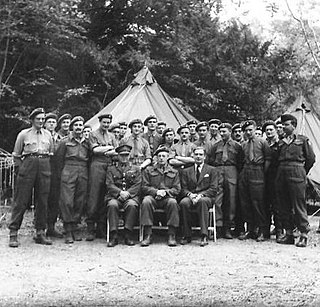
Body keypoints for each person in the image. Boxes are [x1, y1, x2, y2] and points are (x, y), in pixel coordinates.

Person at [9, 108, 53, 247]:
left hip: (44, 165)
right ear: (32, 120)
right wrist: (22, 169)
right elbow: (16, 155)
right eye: (38, 118)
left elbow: (51, 152)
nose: (41, 121)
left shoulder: (48, 135)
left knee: (43, 200)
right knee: (21, 200)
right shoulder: (24, 134)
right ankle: (13, 233)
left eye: (43, 119)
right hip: (28, 165)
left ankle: (40, 232)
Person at [276, 114, 315, 247]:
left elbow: (310, 158)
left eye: (286, 125)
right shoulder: (280, 142)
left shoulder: (303, 140)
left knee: (299, 204)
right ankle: (289, 234)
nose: (284, 127)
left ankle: (303, 234)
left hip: (297, 171)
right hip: (282, 173)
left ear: (293, 125)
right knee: (284, 205)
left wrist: (302, 171)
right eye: (282, 125)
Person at [56, 116, 92, 244]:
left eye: (81, 125)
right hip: (68, 170)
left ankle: (74, 227)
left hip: (83, 172)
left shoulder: (87, 142)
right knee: (67, 202)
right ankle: (68, 230)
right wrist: (62, 174)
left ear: (83, 127)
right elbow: (58, 160)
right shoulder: (65, 141)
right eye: (76, 125)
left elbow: (90, 159)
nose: (78, 127)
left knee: (80, 201)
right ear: (72, 127)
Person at [207, 123, 243, 239]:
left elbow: (241, 162)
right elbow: (211, 160)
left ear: (230, 132)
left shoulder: (237, 146)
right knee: (218, 199)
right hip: (218, 170)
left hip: (232, 170)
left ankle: (228, 226)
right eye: (220, 131)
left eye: (224, 131)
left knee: (231, 199)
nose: (221, 134)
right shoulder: (215, 146)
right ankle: (218, 225)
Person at [238, 120, 271, 242]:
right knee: (246, 202)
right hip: (246, 172)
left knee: (258, 202)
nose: (248, 132)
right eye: (246, 130)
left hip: (258, 171)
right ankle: (250, 229)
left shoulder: (263, 142)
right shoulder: (244, 144)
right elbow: (241, 160)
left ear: (255, 129)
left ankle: (262, 230)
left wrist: (263, 173)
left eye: (250, 130)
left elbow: (268, 159)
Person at [140, 147, 181, 247]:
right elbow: (144, 187)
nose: (161, 158)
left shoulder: (174, 172)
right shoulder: (148, 170)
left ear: (168, 157)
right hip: (153, 197)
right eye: (159, 156)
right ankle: (148, 234)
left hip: (167, 198)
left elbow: (177, 189)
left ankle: (171, 235)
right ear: (156, 158)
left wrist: (165, 193)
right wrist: (156, 192)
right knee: (146, 201)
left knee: (173, 203)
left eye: (164, 156)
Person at [86, 114, 117, 241]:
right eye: (104, 122)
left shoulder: (112, 136)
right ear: (99, 122)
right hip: (97, 165)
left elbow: (116, 151)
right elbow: (95, 150)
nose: (106, 125)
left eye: (108, 123)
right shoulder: (93, 134)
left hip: (109, 166)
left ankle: (101, 227)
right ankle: (90, 228)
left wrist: (104, 149)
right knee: (94, 196)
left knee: (106, 195)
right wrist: (109, 148)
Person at [180, 147, 219, 246]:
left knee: (202, 202)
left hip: (206, 196)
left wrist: (201, 195)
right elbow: (183, 188)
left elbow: (214, 188)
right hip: (191, 196)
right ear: (192, 156)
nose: (198, 157)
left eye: (201, 154)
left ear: (204, 157)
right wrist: (190, 195)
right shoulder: (186, 171)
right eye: (196, 154)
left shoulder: (211, 170)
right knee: (183, 203)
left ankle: (204, 235)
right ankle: (187, 234)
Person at [105, 145, 141, 247]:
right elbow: (109, 184)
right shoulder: (111, 169)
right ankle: (114, 235)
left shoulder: (136, 169)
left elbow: (138, 184)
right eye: (122, 155)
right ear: (118, 156)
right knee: (112, 205)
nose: (124, 158)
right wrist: (120, 193)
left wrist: (128, 193)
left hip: (130, 196)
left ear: (129, 156)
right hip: (115, 196)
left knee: (132, 205)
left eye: (126, 155)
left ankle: (128, 234)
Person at [44, 112, 63, 238]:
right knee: (42, 198)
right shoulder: (42, 136)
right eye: (49, 122)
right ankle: (40, 228)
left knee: (54, 199)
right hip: (43, 169)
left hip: (56, 171)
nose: (51, 124)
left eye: (53, 122)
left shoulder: (60, 138)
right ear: (45, 124)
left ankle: (51, 227)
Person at [262, 120, 282, 240]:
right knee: (265, 204)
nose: (269, 132)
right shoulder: (263, 144)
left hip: (277, 178)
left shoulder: (281, 144)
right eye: (267, 130)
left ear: (276, 130)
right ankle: (265, 230)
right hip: (264, 177)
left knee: (277, 205)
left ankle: (279, 230)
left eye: (271, 130)